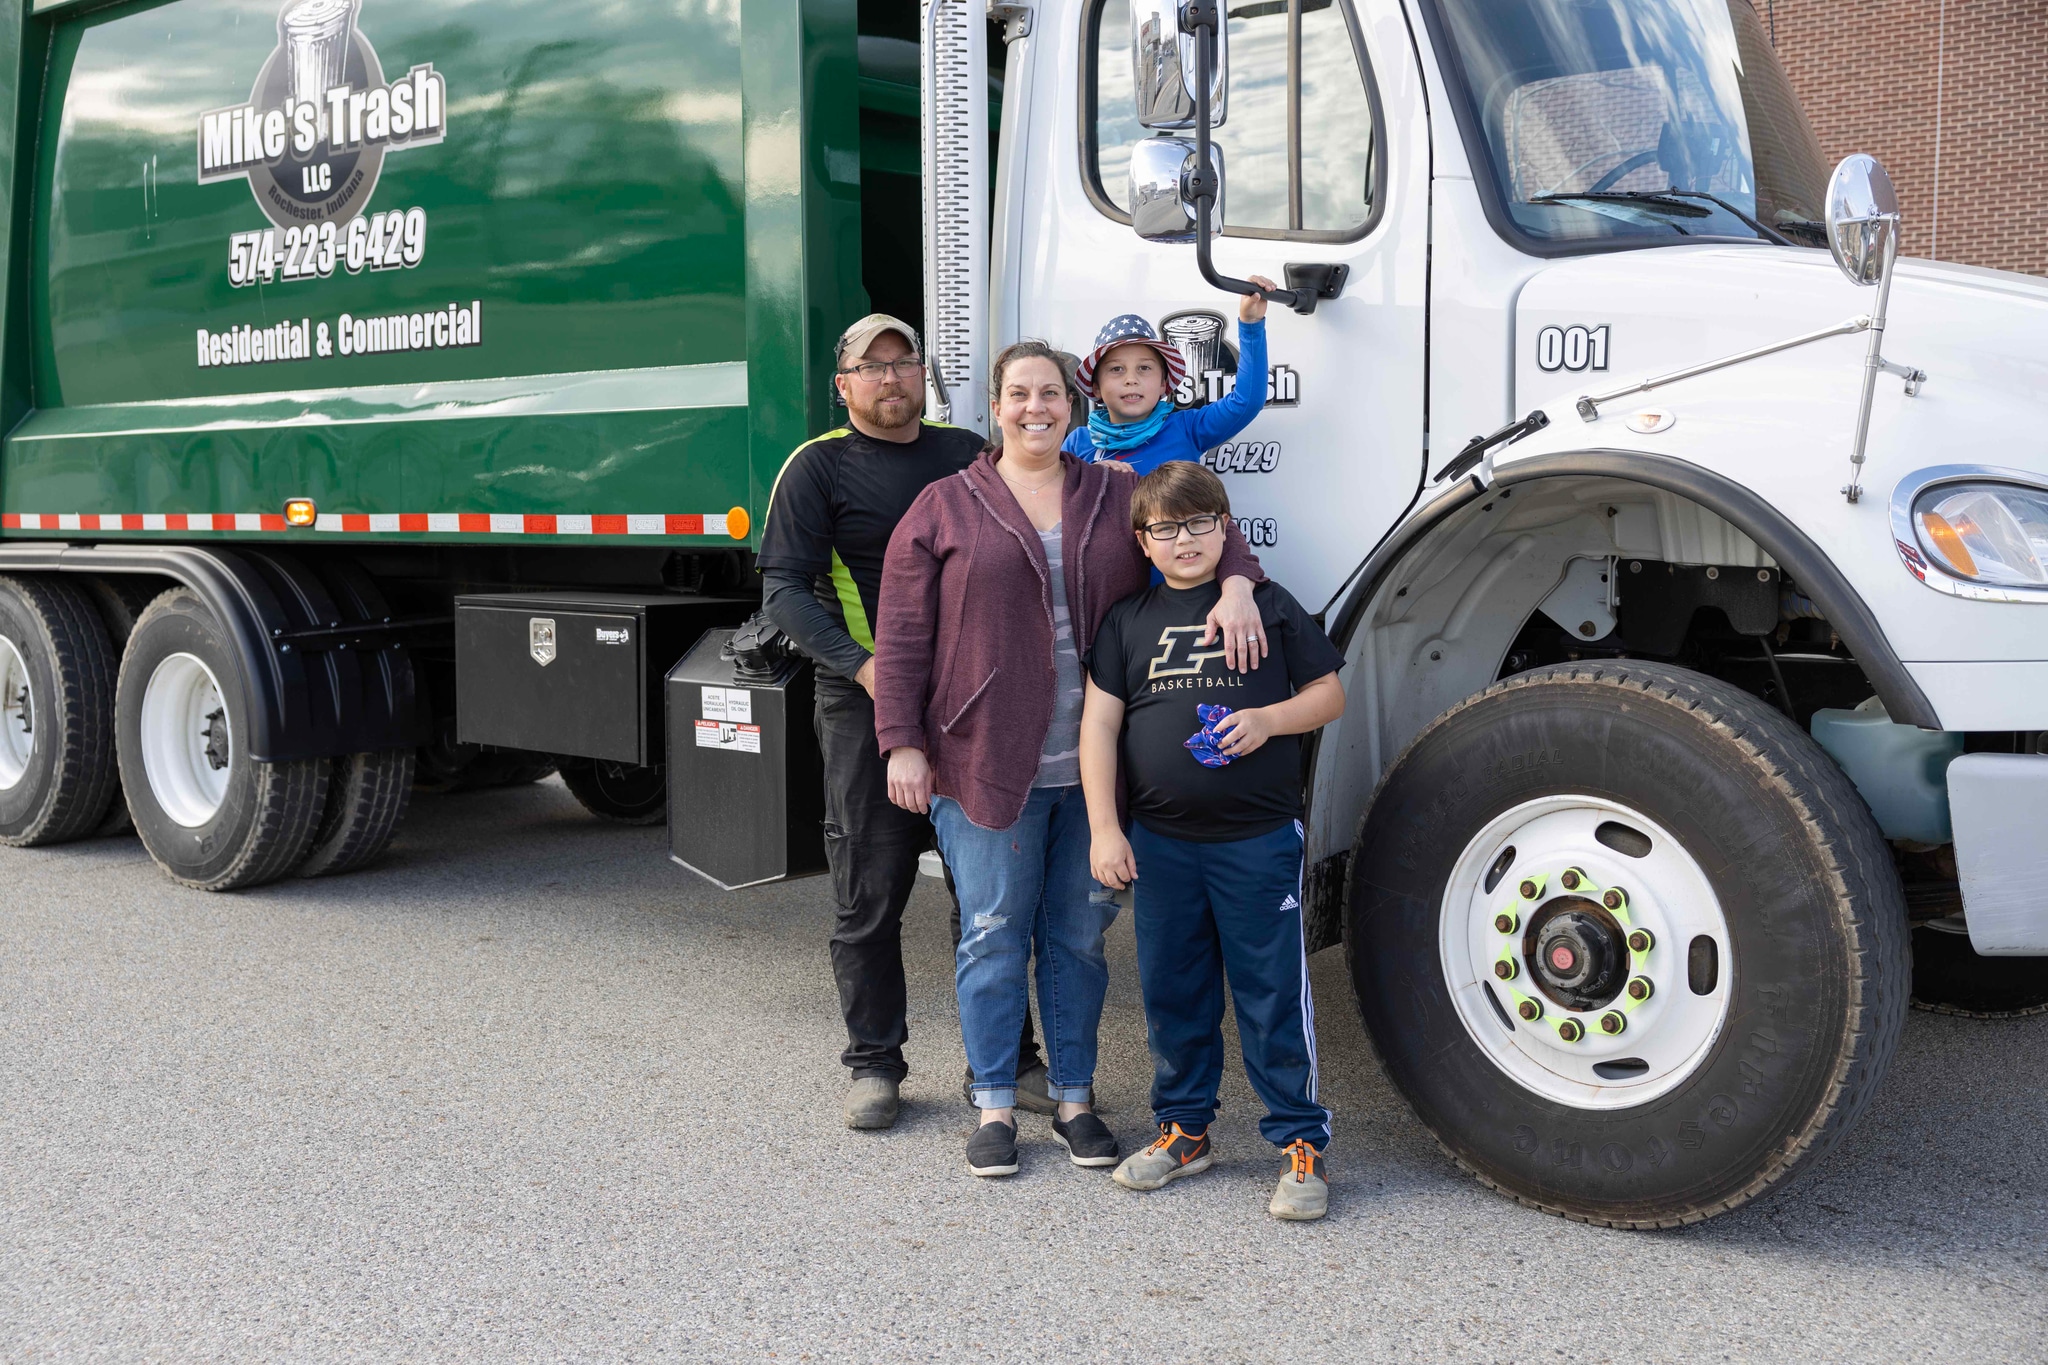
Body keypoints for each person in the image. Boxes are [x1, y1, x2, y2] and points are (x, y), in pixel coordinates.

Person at [873, 341, 1272, 1179]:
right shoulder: (944, 505)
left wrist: (1237, 581)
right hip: (982, 761)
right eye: (1018, 394)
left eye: (1050, 393)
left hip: (1097, 770)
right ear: (995, 405)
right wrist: (901, 742)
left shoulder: (1117, 491)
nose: (1035, 408)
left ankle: (1074, 1099)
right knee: (990, 932)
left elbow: (1198, 528)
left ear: (1073, 405)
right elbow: (904, 634)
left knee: (1079, 940)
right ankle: (990, 1103)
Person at [757, 313, 1047, 1131]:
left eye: (904, 362)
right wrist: (868, 667)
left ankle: (1009, 1060)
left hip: (966, 704)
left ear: (924, 374)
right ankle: (875, 1064)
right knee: (870, 892)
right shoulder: (816, 468)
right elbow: (783, 592)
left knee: (987, 892)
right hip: (866, 702)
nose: (891, 378)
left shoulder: (965, 454)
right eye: (872, 366)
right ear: (843, 383)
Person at [1078, 461, 1346, 1221]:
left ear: (1224, 530)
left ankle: (1299, 1139)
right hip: (1161, 843)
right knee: (1173, 993)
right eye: (1166, 528)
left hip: (1255, 841)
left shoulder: (1267, 604)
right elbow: (1099, 725)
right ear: (1144, 541)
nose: (1185, 539)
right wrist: (1106, 826)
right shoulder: (1127, 621)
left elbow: (1329, 693)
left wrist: (1267, 720)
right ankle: (1186, 1130)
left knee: (1270, 994)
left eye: (1200, 523)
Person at [1062, 276, 1276, 476]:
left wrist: (1251, 324)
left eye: (1144, 368)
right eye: (1116, 369)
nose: (1131, 379)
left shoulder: (1187, 428)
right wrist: (1089, 479)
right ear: (1096, 386)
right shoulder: (1077, 443)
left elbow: (1247, 401)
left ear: (1164, 383)